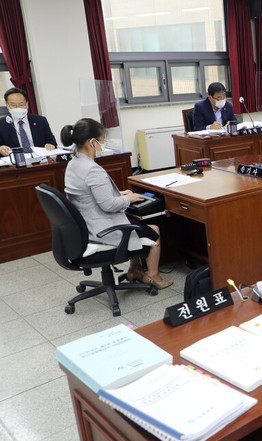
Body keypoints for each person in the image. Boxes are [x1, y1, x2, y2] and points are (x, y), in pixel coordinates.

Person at [62, 118, 172, 289]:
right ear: (92, 142)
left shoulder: (74, 163)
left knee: (133, 223)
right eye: (102, 140)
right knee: (154, 230)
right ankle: (153, 276)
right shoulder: (92, 169)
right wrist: (129, 199)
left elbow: (87, 194)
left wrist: (119, 193)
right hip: (100, 231)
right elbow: (109, 205)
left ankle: (135, 269)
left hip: (85, 226)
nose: (103, 144)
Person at [0, 87, 57, 156]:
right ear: (7, 105)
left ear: (27, 104)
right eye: (13, 105)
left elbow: (52, 141)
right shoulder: (2, 124)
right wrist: (1, 148)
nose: (18, 108)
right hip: (16, 161)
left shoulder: (40, 120)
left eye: (21, 105)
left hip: (40, 159)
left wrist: (50, 145)